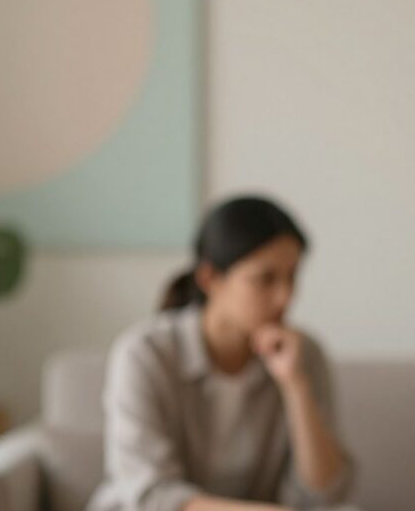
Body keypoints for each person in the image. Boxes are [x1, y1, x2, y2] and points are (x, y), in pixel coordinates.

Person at [88, 196, 354, 511]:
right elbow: (152, 495)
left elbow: (327, 493)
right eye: (265, 279)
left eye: (292, 276)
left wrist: (295, 387)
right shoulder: (145, 354)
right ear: (210, 278)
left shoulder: (305, 355)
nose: (286, 297)